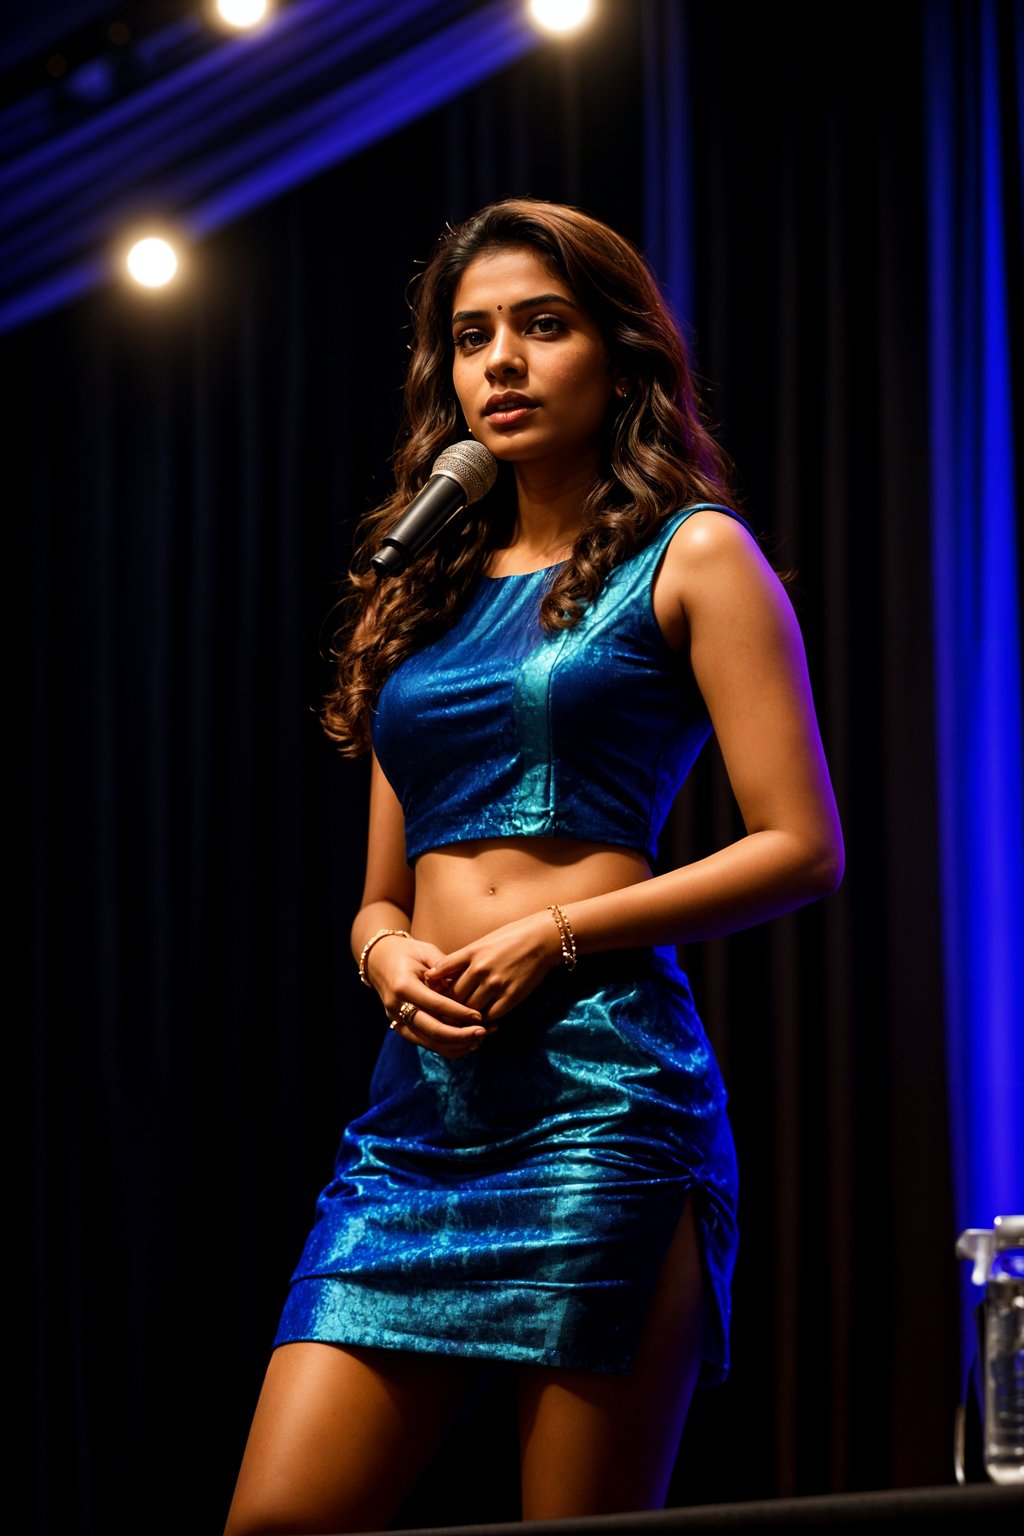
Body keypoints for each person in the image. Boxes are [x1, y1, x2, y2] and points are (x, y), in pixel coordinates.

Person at [224, 197, 844, 1534]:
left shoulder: (698, 555)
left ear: (619, 356)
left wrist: (562, 934)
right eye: (470, 336)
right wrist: (384, 951)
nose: (498, 360)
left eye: (540, 327)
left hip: (602, 1099)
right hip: (417, 1121)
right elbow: (381, 893)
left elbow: (803, 847)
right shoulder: (420, 601)